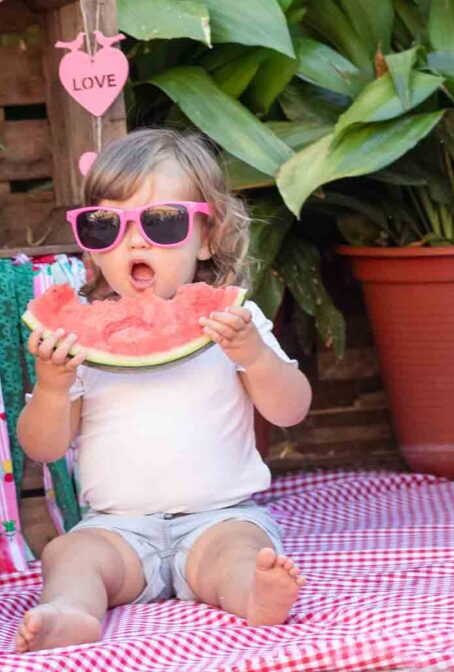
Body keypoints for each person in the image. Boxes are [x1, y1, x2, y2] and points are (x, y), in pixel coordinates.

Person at [14, 129, 312, 652]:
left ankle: (254, 593)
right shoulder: (79, 340)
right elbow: (43, 448)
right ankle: (71, 612)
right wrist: (53, 388)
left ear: (208, 235)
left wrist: (254, 356)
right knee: (68, 555)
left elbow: (290, 409)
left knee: (242, 551)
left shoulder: (234, 322)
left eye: (163, 221)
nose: (135, 241)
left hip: (220, 517)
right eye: (107, 225)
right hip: (116, 529)